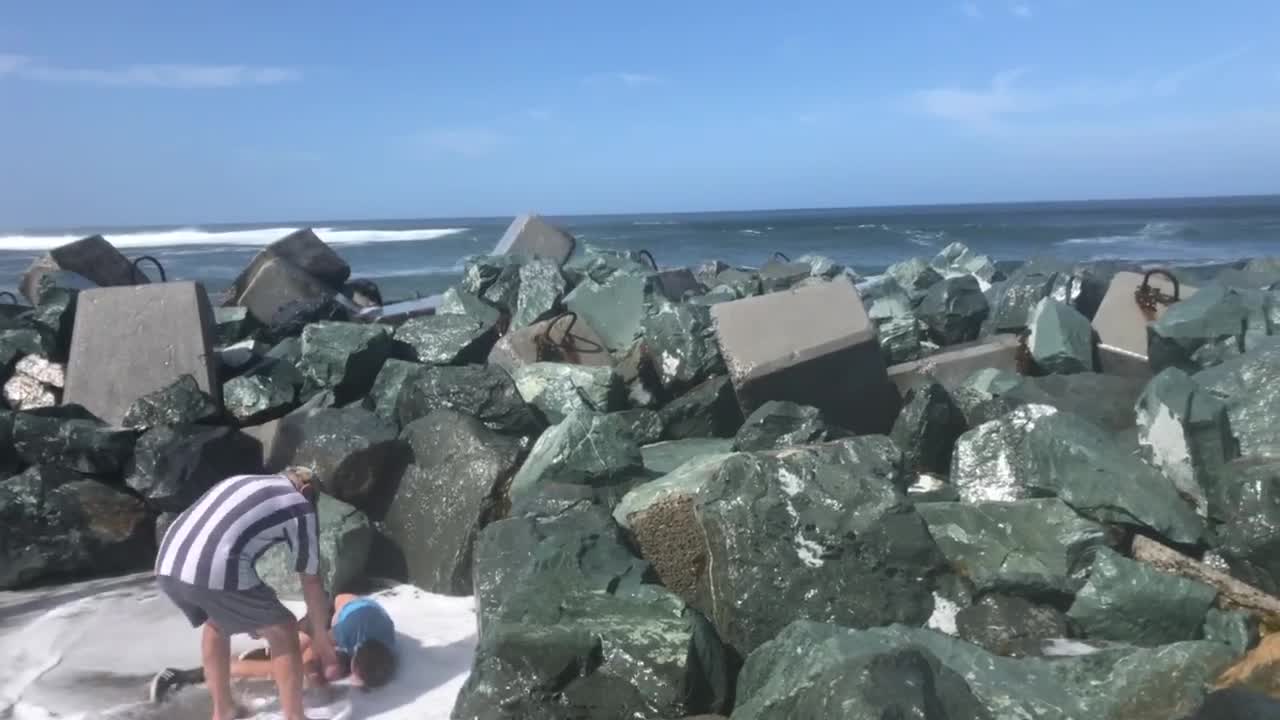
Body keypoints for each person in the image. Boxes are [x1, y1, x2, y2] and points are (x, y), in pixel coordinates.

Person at [150, 468, 342, 720]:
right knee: (282, 629)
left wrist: (250, 613)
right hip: (212, 569)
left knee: (217, 624)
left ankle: (223, 710)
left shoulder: (240, 481)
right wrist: (322, 643)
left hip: (167, 563)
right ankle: (295, 717)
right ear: (307, 490)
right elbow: (312, 580)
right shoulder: (300, 504)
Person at [152, 593, 397, 695]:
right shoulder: (346, 631)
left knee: (318, 667)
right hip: (330, 614)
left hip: (349, 603)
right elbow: (313, 644)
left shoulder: (385, 648)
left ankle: (271, 653)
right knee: (287, 668)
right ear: (355, 654)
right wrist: (297, 663)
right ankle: (189, 676)